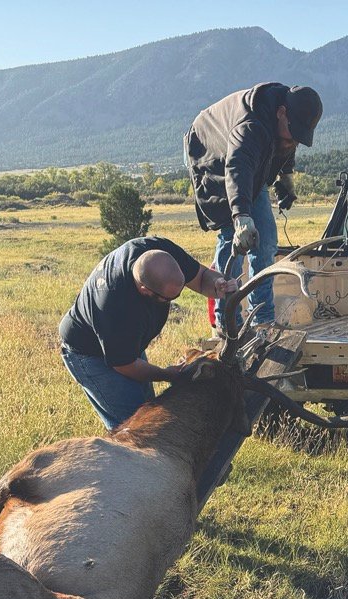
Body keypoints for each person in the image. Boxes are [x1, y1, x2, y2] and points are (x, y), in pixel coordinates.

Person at [58, 236, 239, 429]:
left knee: (148, 410)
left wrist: (217, 283)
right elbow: (124, 365)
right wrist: (168, 374)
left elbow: (201, 277)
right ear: (145, 290)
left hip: (125, 348)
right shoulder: (115, 306)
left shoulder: (159, 252)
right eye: (168, 298)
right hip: (90, 354)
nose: (173, 301)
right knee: (135, 429)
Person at [185, 82, 323, 325]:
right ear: (281, 113)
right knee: (233, 239)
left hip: (248, 167)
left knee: (266, 239)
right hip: (214, 159)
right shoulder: (250, 126)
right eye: (294, 131)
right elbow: (237, 168)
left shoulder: (286, 118)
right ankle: (227, 319)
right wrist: (241, 217)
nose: (295, 139)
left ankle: (263, 318)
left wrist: (286, 177)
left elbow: (287, 144)